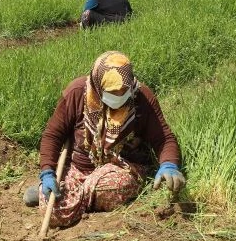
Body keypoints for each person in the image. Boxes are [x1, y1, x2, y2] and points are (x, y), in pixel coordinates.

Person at [23, 51, 185, 229]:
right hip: (78, 168)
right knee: (53, 212)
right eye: (112, 92)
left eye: (124, 90)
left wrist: (169, 165)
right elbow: (53, 135)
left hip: (120, 169)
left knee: (112, 186)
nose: (119, 96)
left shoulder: (142, 98)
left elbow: (163, 138)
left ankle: (74, 197)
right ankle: (63, 192)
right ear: (98, 85)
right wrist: (47, 172)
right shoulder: (77, 92)